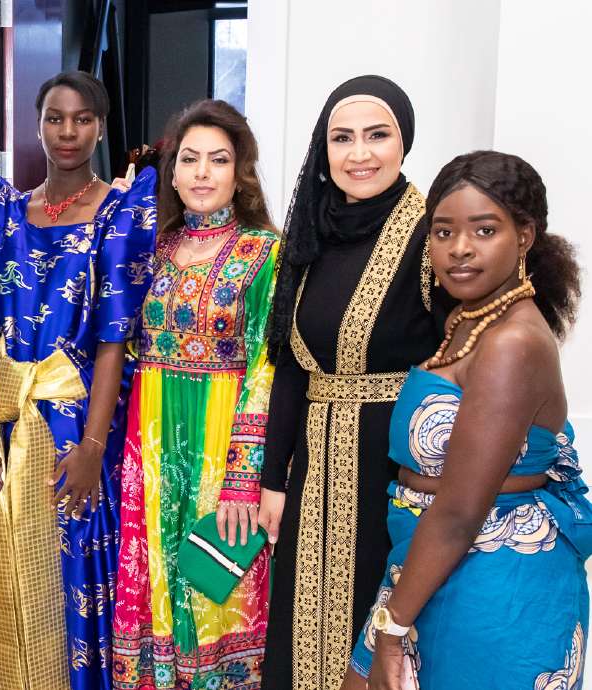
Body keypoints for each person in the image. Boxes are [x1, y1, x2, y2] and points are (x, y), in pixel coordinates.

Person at [342, 151, 588, 689]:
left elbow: (458, 509)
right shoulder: (469, 320)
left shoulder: (513, 342)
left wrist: (391, 628)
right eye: (443, 231)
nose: (459, 249)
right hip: (427, 566)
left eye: (484, 230)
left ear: (524, 236)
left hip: (492, 585)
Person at [0, 70, 157, 690]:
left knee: (74, 573)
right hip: (2, 422)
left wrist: (93, 447)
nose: (68, 132)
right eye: (55, 118)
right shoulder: (5, 212)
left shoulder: (121, 212)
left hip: (75, 425)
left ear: (100, 127)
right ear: (36, 125)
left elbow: (114, 338)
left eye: (83, 119)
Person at [257, 75, 445, 690]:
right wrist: (272, 481)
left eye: (377, 135)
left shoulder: (432, 234)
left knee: (383, 632)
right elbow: (290, 365)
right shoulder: (313, 231)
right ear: (324, 149)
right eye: (342, 138)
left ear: (403, 143)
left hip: (395, 472)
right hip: (314, 469)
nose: (359, 153)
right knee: (303, 634)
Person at [112, 99, 278, 689]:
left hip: (220, 448)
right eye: (190, 159)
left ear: (240, 173)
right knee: (156, 575)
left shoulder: (265, 254)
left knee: (214, 582)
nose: (203, 173)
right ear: (171, 172)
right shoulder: (150, 250)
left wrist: (243, 475)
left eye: (219, 159)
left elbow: (266, 369)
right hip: (152, 445)